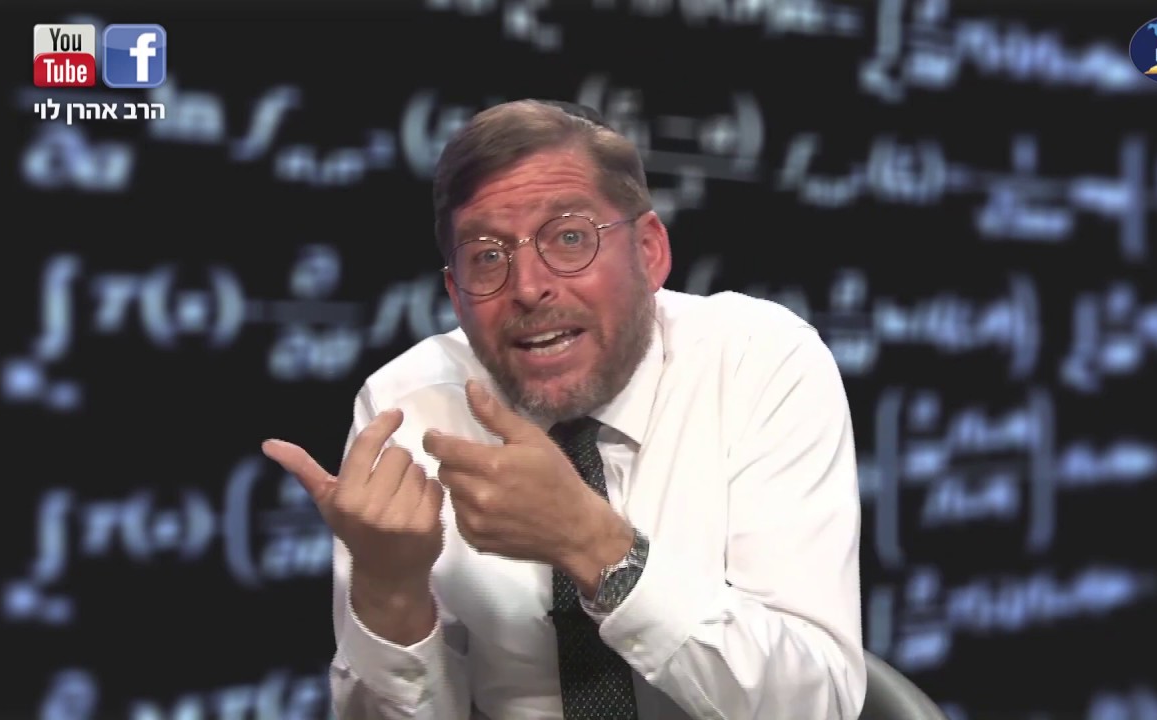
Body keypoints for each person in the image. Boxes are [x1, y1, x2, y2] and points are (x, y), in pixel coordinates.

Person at [262, 99, 866, 719]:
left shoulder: (755, 362)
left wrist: (595, 545)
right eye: (487, 257)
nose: (528, 288)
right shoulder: (407, 409)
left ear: (650, 251)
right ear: (456, 296)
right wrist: (390, 593)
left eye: (570, 238)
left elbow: (818, 702)